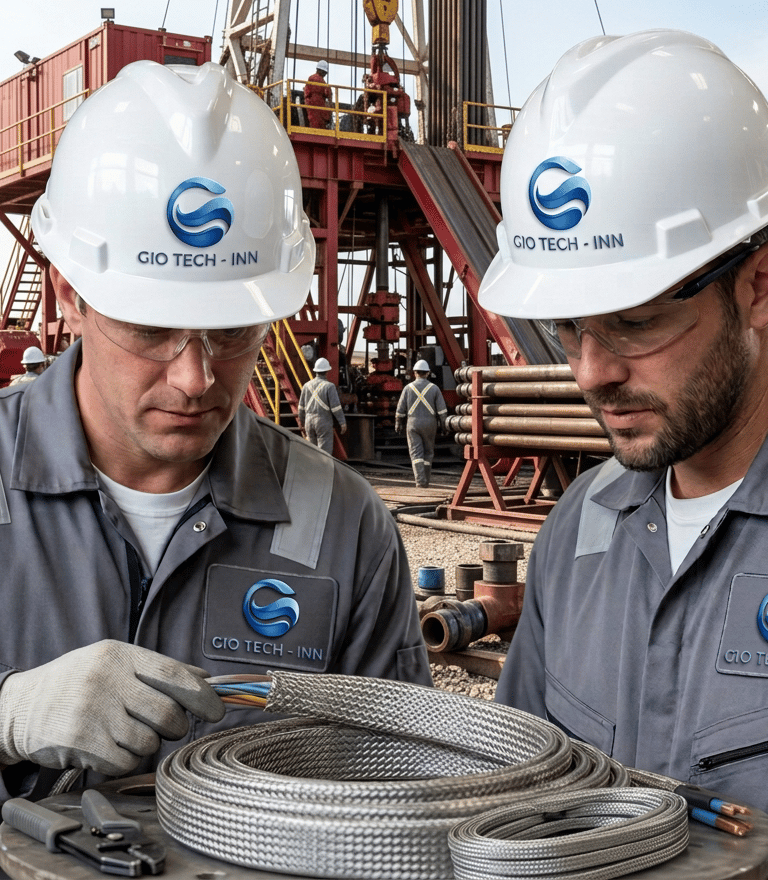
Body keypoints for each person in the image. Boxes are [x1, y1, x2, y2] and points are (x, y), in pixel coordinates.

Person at [0, 59, 431, 804]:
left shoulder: (344, 524)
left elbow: (399, 791)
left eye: (232, 332)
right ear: (69, 293)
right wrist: (6, 715)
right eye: (152, 329)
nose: (196, 377)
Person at [480, 29, 768, 810]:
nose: (590, 372)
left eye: (635, 322)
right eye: (569, 327)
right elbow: (518, 808)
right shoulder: (577, 533)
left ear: (757, 285)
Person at [395, 359, 447, 488]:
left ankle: (420, 481)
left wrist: (398, 423)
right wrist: (444, 426)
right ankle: (426, 481)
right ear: (428, 373)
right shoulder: (434, 388)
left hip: (413, 423)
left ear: (414, 373)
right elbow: (442, 410)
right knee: (428, 452)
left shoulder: (408, 388)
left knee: (416, 453)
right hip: (430, 423)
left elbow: (400, 409)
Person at [297, 357, 348, 453]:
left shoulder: (306, 385)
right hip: (323, 421)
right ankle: (323, 468)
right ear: (327, 371)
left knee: (312, 452)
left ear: (315, 371)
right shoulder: (329, 386)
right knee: (324, 453)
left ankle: (312, 467)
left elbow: (301, 408)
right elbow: (335, 407)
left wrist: (302, 422)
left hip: (308, 421)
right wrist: (342, 422)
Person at [303, 60, 332, 130]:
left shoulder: (311, 78)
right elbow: (327, 92)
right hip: (316, 104)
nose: (325, 74)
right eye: (325, 72)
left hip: (312, 103)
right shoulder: (319, 80)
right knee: (317, 123)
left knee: (315, 121)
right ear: (322, 71)